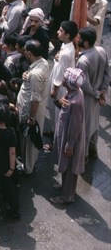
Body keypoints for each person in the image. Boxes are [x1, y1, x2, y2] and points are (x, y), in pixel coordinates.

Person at [50, 68, 86, 205]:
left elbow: (76, 126)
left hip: (70, 139)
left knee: (70, 167)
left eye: (65, 79)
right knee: (66, 165)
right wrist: (60, 101)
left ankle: (67, 196)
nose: (63, 80)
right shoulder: (73, 92)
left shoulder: (75, 102)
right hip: (65, 135)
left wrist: (69, 145)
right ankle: (65, 187)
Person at [75, 28, 110, 161]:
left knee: (84, 127)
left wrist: (96, 94)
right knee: (95, 124)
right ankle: (93, 150)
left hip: (87, 97)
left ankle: (84, 155)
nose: (77, 40)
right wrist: (103, 91)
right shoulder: (101, 51)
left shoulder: (83, 60)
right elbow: (107, 72)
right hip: (97, 94)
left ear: (86, 42)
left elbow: (84, 84)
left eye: (79, 38)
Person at [16, 40, 50, 175]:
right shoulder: (43, 63)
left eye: (25, 50)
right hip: (36, 109)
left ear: (29, 53)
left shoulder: (36, 74)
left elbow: (34, 100)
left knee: (28, 140)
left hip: (31, 111)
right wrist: (27, 76)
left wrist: (31, 118)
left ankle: (28, 167)